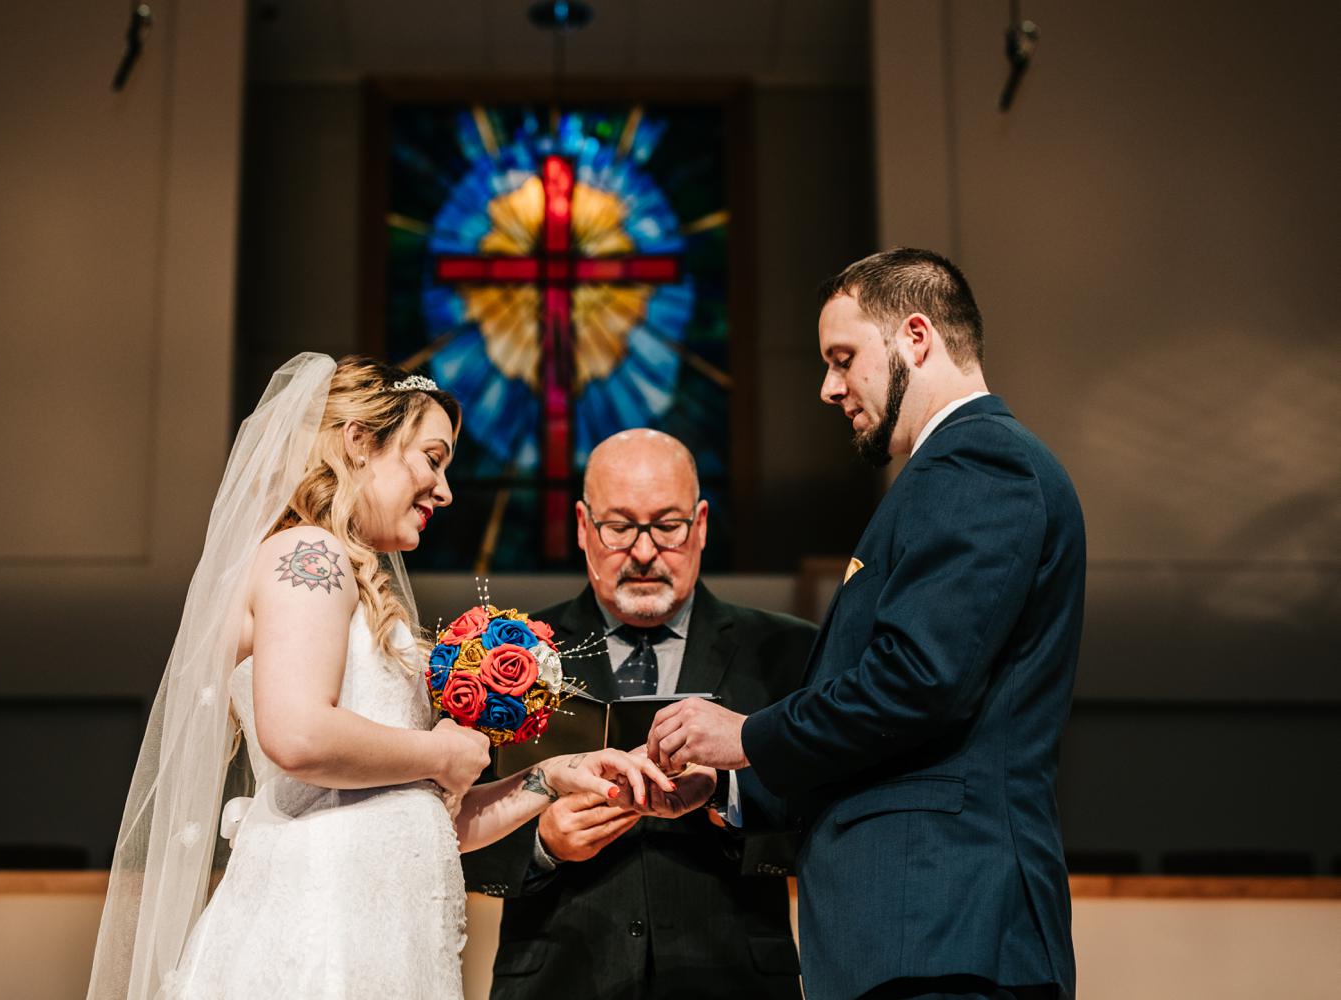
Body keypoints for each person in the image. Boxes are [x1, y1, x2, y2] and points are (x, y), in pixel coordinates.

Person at [86, 355, 673, 1000]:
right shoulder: (308, 553)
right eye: (431, 457)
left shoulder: (353, 579)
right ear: (360, 442)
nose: (445, 491)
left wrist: (545, 778)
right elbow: (299, 734)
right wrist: (441, 751)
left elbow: (419, 816)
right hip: (319, 939)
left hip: (385, 940)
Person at [647, 249, 1084, 1000]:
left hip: (946, 930)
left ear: (915, 337)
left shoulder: (980, 463)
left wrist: (744, 737)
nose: (828, 387)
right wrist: (732, 788)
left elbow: (919, 682)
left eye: (844, 359)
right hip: (917, 932)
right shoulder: (948, 473)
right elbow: (902, 730)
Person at [462, 429, 815, 1000]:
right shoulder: (510, 655)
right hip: (561, 977)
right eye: (620, 528)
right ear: (582, 526)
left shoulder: (786, 652)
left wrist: (730, 797)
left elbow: (829, 816)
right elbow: (446, 828)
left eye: (668, 527)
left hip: (732, 976)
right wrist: (541, 843)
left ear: (701, 525)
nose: (645, 552)